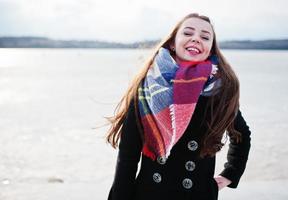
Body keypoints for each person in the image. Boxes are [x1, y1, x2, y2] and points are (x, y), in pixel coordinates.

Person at [106, 13, 251, 200]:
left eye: (205, 37)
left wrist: (230, 174)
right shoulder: (148, 88)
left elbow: (241, 135)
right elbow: (128, 155)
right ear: (173, 43)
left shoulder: (217, 91)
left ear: (210, 50)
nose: (196, 39)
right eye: (188, 33)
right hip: (150, 194)